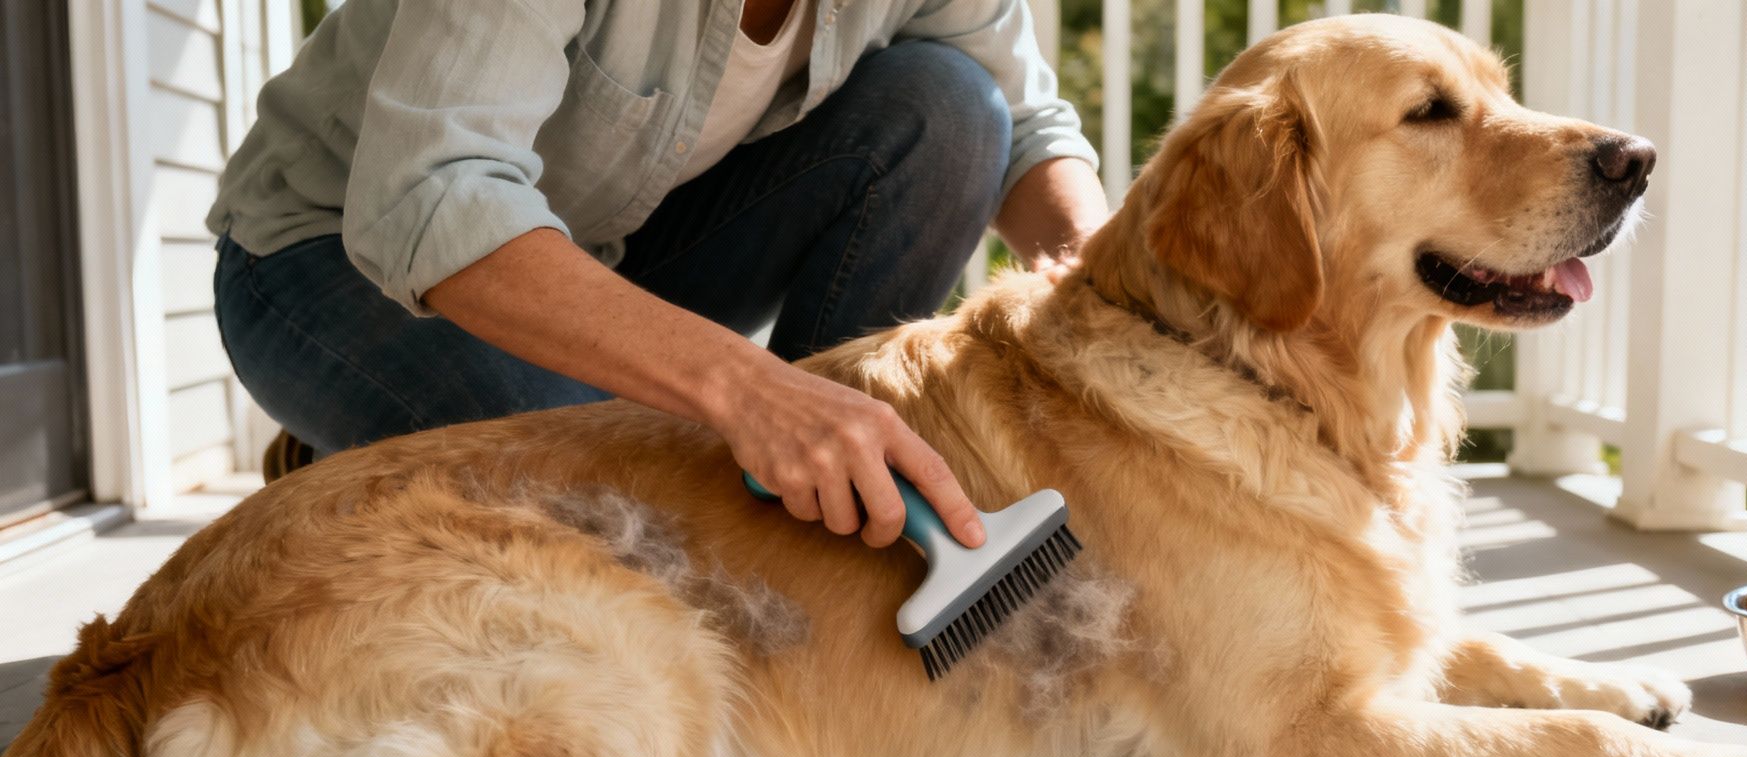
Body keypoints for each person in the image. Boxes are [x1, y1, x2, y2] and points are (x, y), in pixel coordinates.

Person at [208, 0, 1107, 548]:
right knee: (631, 521)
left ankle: (836, 510)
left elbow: (1025, 129)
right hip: (329, 263)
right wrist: (750, 390)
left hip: (610, 252)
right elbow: (431, 196)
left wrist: (1112, 294)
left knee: (951, 109)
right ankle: (360, 451)